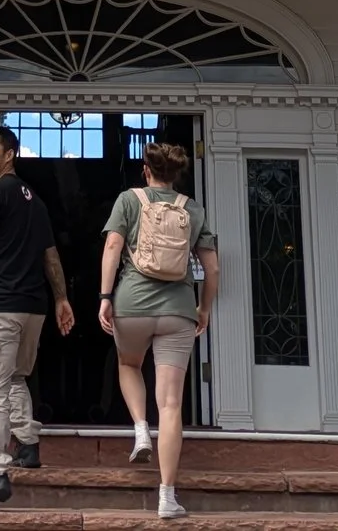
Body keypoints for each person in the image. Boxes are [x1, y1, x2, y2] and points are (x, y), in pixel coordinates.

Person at [99, 140, 218, 521]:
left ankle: (138, 429)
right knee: (171, 405)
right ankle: (167, 496)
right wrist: (204, 309)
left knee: (128, 365)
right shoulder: (192, 209)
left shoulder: (128, 200)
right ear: (177, 173)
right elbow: (212, 270)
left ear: (146, 170)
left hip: (132, 304)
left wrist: (105, 297)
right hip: (178, 311)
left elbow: (113, 246)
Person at [0, 125, 74, 512]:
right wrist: (61, 299)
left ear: (9, 155)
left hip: (1, 304)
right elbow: (51, 255)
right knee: (13, 377)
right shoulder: (35, 200)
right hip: (34, 308)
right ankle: (27, 443)